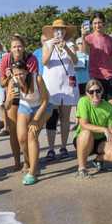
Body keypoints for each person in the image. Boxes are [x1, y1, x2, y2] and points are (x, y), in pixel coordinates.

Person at [5, 60, 51, 185]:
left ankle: (33, 172)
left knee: (32, 134)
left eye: (21, 73)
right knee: (21, 138)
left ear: (27, 71)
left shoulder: (37, 79)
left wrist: (36, 120)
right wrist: (10, 98)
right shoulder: (12, 82)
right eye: (15, 74)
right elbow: (6, 105)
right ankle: (29, 162)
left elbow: (46, 100)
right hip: (25, 107)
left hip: (42, 106)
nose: (18, 77)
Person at [0, 34, 39, 171]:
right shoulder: (5, 59)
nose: (17, 49)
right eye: (14, 47)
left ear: (24, 47)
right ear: (10, 49)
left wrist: (20, 75)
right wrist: (10, 77)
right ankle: (17, 161)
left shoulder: (31, 59)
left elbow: (33, 83)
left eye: (19, 46)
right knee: (13, 131)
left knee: (26, 133)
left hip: (28, 95)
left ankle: (28, 161)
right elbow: (1, 83)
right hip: (12, 94)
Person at [41, 19, 79, 160]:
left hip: (68, 85)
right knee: (51, 118)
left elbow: (75, 61)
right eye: (57, 29)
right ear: (53, 31)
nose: (59, 32)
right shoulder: (47, 44)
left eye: (62, 29)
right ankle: (51, 149)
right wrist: (52, 47)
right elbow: (44, 61)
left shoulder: (70, 44)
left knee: (65, 118)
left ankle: (63, 147)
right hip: (52, 86)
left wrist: (66, 48)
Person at [74, 79, 112, 179]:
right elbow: (83, 125)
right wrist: (104, 129)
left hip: (100, 141)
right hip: (84, 140)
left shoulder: (109, 107)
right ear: (87, 93)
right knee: (86, 133)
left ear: (102, 91)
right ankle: (82, 168)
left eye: (97, 91)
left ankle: (98, 160)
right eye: (91, 92)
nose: (95, 94)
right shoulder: (83, 101)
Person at [80, 12, 112, 109]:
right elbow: (84, 51)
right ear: (91, 25)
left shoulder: (110, 39)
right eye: (95, 23)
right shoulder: (88, 38)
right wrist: (83, 37)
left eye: (99, 22)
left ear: (104, 23)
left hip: (111, 75)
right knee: (97, 102)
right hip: (96, 74)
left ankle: (111, 123)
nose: (97, 25)